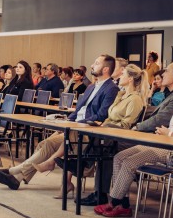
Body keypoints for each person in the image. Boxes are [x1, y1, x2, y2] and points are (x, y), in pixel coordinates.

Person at [0, 54, 119, 190]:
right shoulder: (91, 87)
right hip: (74, 126)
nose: (92, 65)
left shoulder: (111, 88)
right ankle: (17, 178)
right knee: (45, 144)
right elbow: (78, 110)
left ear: (105, 69)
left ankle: (14, 171)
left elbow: (101, 115)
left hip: (87, 131)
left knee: (48, 144)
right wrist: (68, 121)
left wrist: (76, 124)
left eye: (97, 63)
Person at [94, 72, 173, 217]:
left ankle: (114, 202)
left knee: (130, 162)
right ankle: (123, 203)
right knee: (120, 157)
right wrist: (166, 133)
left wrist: (170, 134)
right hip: (165, 144)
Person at [34, 64, 149, 198]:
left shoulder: (135, 99)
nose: (120, 76)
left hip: (118, 135)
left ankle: (74, 164)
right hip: (106, 130)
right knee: (75, 130)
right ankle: (74, 164)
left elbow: (126, 124)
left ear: (130, 79)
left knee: (77, 133)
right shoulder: (121, 95)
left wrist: (105, 126)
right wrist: (101, 125)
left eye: (123, 74)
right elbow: (109, 116)